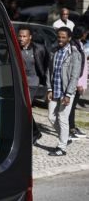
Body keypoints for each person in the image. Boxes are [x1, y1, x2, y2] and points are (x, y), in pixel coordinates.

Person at [46, 26, 81, 156]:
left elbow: (74, 76)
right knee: (50, 116)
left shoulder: (74, 54)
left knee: (62, 118)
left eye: (63, 37)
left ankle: (62, 148)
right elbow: (49, 71)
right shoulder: (54, 51)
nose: (60, 39)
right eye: (59, 37)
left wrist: (68, 94)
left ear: (69, 38)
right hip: (55, 90)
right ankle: (65, 138)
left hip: (66, 92)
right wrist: (49, 88)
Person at [16, 26, 49, 142]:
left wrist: (45, 81)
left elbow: (45, 65)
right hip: (20, 83)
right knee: (23, 109)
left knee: (25, 108)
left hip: (33, 82)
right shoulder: (15, 48)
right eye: (20, 36)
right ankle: (35, 132)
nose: (21, 38)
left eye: (24, 36)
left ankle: (33, 133)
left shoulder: (39, 49)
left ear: (30, 37)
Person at [66, 26, 87, 140]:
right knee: (71, 107)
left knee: (72, 107)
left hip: (80, 81)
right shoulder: (74, 46)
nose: (86, 34)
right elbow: (76, 66)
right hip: (76, 82)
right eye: (85, 32)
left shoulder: (79, 44)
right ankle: (70, 129)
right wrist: (78, 83)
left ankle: (72, 127)